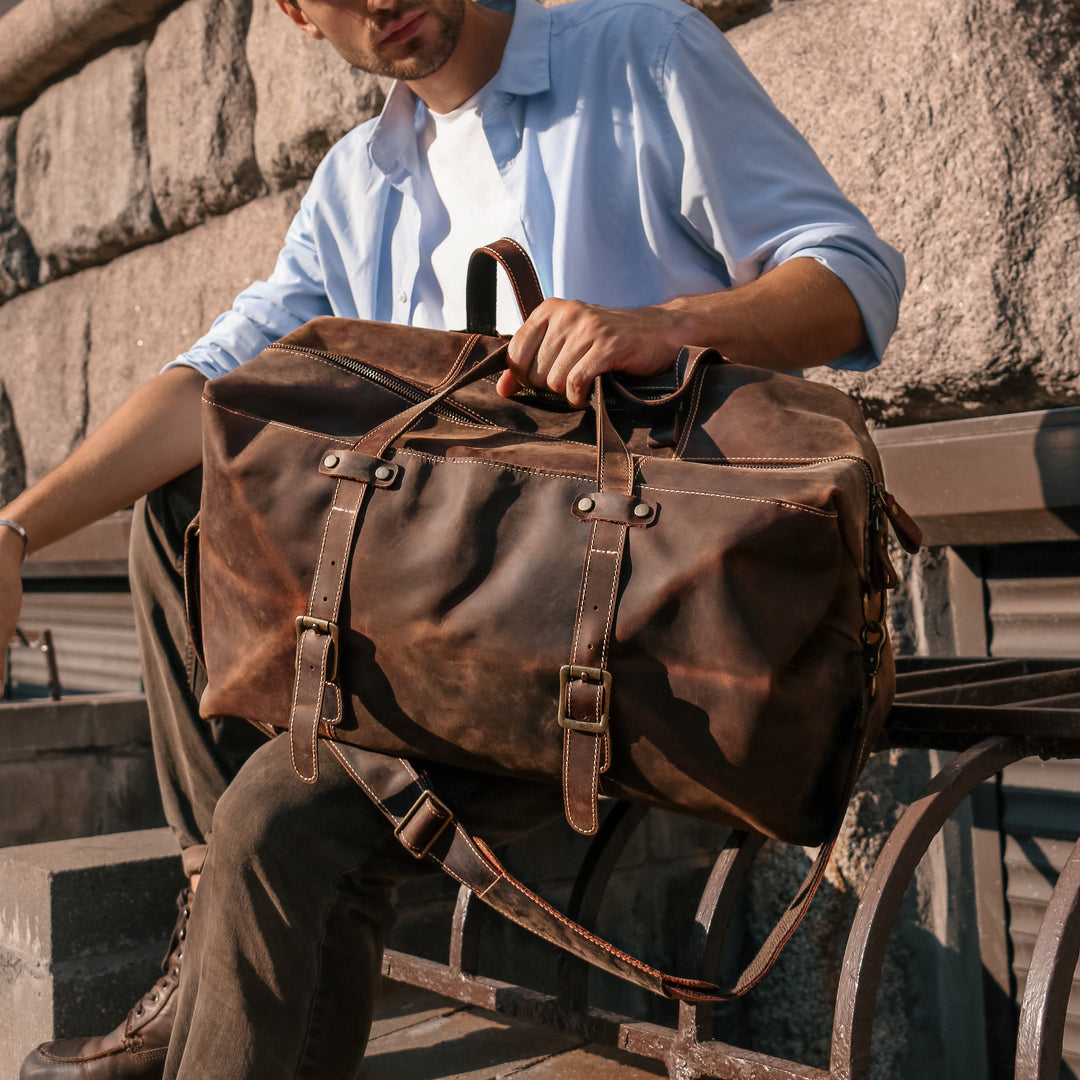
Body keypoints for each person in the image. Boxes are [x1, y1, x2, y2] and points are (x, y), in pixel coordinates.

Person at [6, 0, 905, 1075]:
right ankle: (217, 935)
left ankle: (231, 942)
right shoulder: (357, 180)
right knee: (184, 504)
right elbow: (210, 382)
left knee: (280, 828)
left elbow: (852, 274)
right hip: (438, 622)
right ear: (296, 14)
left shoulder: (639, 55)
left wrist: (668, 326)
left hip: (632, 626)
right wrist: (15, 530)